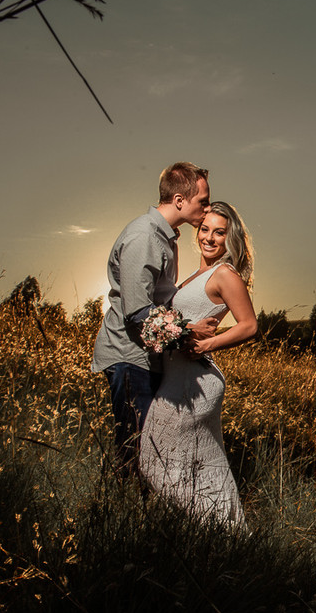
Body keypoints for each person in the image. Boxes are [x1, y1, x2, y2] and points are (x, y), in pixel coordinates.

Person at [91, 162, 218, 478]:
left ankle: (136, 502)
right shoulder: (144, 236)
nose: (207, 209)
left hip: (146, 357)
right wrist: (189, 331)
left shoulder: (164, 237)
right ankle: (123, 505)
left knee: (149, 448)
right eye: (203, 202)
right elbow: (137, 313)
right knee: (136, 449)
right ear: (179, 200)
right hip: (129, 357)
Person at [139, 201, 258, 524]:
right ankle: (221, 530)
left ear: (230, 237)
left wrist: (207, 343)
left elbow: (249, 325)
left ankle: (213, 528)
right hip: (178, 377)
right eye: (205, 230)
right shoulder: (198, 273)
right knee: (191, 462)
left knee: (157, 457)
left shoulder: (225, 274)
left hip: (196, 381)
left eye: (219, 233)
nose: (209, 238)